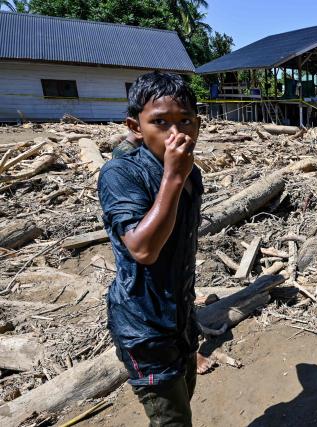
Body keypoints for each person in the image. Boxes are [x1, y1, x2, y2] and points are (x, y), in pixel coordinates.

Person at [98, 71, 203, 426]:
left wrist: (180, 173)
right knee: (172, 419)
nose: (176, 134)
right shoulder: (120, 174)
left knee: (184, 399)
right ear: (136, 126)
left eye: (185, 121)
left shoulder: (192, 172)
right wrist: (173, 177)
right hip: (143, 325)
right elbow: (143, 251)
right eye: (160, 122)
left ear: (198, 124)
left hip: (180, 315)